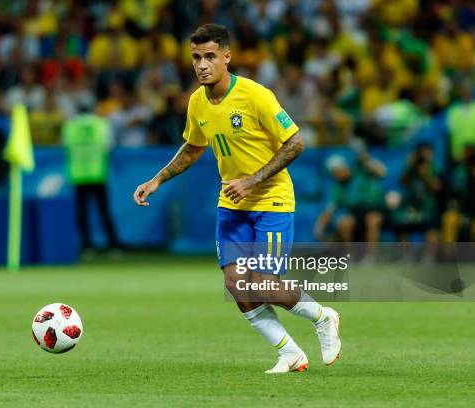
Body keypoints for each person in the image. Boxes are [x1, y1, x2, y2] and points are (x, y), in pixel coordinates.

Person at [133, 24, 341, 374]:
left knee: (262, 285)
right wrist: (157, 179)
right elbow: (193, 147)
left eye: (210, 57)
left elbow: (296, 143)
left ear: (227, 57)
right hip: (232, 205)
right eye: (197, 58)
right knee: (236, 285)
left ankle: (323, 317)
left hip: (271, 200)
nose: (202, 65)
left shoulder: (255, 95)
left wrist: (253, 180)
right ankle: (289, 352)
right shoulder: (197, 102)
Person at [63, 102, 121, 257]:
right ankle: (114, 246)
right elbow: (110, 147)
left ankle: (87, 247)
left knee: (82, 213)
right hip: (97, 173)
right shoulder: (101, 124)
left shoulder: (70, 125)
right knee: (104, 211)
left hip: (78, 174)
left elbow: (66, 147)